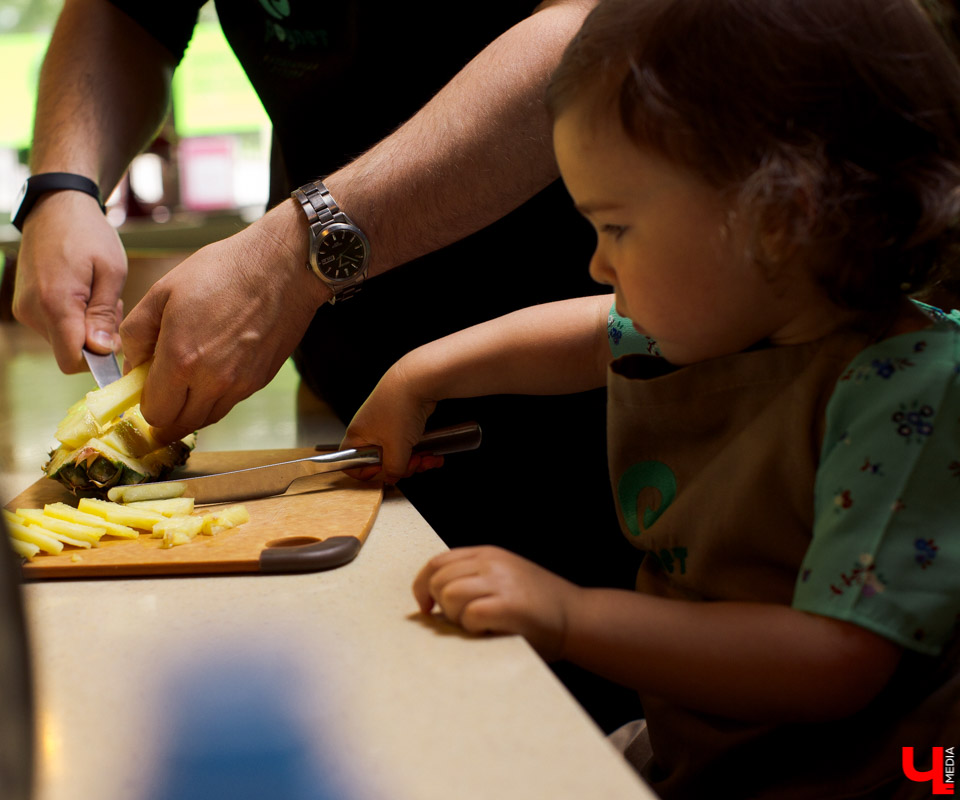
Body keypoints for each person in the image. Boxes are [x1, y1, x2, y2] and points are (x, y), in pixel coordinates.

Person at [340, 0, 960, 796]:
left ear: (778, 217)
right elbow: (592, 331)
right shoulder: (738, 313)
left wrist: (570, 617)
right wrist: (419, 376)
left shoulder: (916, 389)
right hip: (706, 756)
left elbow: (834, 661)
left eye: (616, 227)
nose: (599, 265)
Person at [12, 0, 644, 731]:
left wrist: (293, 255)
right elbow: (127, 11)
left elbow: (586, 32)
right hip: (350, 409)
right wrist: (61, 185)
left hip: (592, 387)